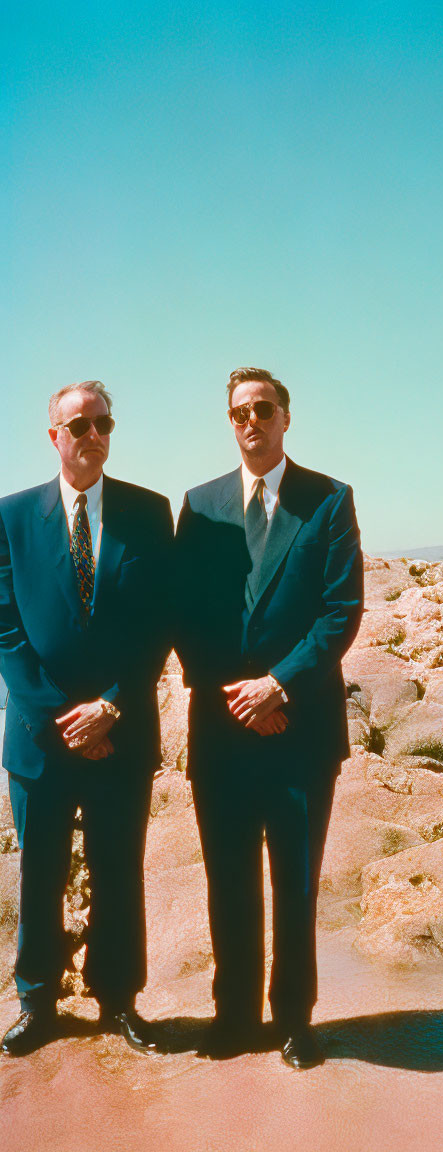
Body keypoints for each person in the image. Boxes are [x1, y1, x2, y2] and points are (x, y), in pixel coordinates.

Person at [175, 367, 363, 1069]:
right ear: (230, 423)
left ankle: (294, 1021)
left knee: (295, 879)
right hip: (222, 729)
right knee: (227, 876)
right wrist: (239, 696)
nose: (250, 421)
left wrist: (278, 687)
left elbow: (341, 612)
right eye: (238, 412)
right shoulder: (200, 505)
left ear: (286, 418)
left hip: (302, 729)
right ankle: (232, 1017)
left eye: (263, 409)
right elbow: (185, 615)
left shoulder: (329, 501)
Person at [0, 381, 174, 1056]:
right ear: (54, 437)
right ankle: (36, 1003)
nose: (92, 435)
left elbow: (158, 624)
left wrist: (110, 707)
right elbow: (7, 631)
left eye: (103, 423)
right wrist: (61, 719)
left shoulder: (148, 513)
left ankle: (119, 1001)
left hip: (120, 729)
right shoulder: (11, 517)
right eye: (78, 426)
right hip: (39, 737)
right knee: (39, 871)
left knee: (118, 867)